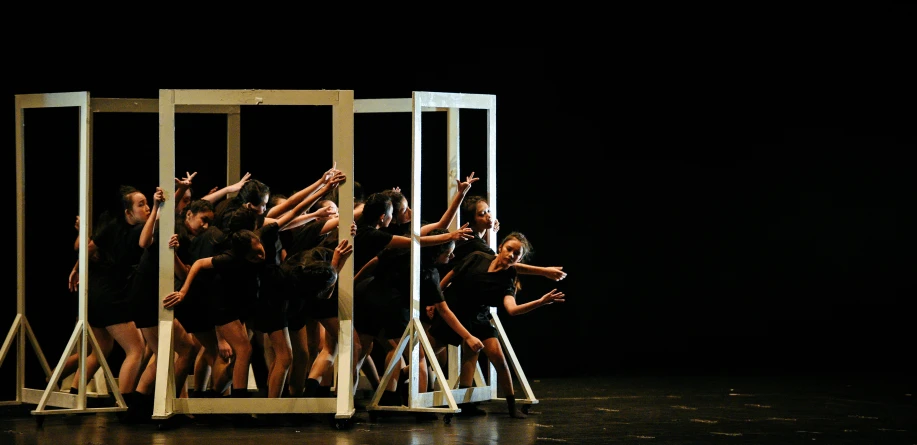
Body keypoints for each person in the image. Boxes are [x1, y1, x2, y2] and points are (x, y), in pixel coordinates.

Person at [428, 232, 566, 418]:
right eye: (509, 249)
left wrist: (540, 302)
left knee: (499, 360)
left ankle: (509, 407)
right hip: (454, 312)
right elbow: (450, 276)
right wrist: (435, 300)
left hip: (478, 318)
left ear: (519, 259)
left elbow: (512, 310)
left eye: (516, 254)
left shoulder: (507, 280)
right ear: (501, 247)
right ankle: (405, 376)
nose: (511, 255)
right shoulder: (477, 257)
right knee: (430, 352)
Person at [352, 228, 484, 420]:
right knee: (418, 356)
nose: (452, 256)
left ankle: (380, 400)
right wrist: (468, 336)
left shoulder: (404, 249)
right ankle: (421, 408)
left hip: (367, 297)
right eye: (449, 253)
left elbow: (374, 262)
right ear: (437, 252)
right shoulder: (429, 273)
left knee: (366, 353)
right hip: (392, 307)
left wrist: (354, 283)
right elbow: (444, 311)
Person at [66, 185, 155, 419]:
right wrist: (77, 267)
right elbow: (83, 247)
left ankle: (75, 398)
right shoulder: (135, 231)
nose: (146, 208)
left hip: (93, 292)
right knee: (136, 349)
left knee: (103, 349)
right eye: (141, 204)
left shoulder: (112, 225)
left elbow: (83, 249)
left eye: (147, 203)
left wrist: (77, 269)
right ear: (127, 212)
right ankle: (124, 405)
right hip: (110, 295)